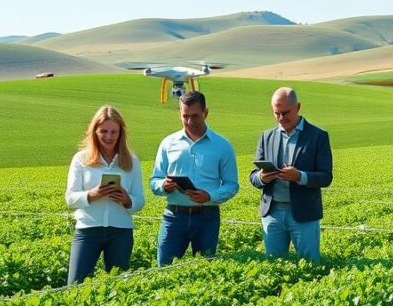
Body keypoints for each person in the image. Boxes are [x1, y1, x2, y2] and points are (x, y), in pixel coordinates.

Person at [150, 90, 238, 266]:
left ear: (205, 112)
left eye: (195, 116)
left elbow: (231, 185)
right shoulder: (168, 143)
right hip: (174, 216)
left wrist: (209, 196)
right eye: (185, 116)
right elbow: (154, 180)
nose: (190, 121)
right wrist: (163, 185)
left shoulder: (222, 145)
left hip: (207, 216)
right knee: (164, 268)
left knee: (205, 268)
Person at [249, 87, 333, 262]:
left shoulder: (318, 136)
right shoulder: (266, 137)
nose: (281, 118)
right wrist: (262, 178)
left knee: (311, 264)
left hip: (304, 214)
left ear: (298, 107)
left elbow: (326, 177)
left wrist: (300, 176)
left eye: (285, 113)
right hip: (272, 213)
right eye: (276, 113)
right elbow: (254, 177)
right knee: (274, 266)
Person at [65, 105, 145, 283]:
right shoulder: (81, 159)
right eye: (103, 131)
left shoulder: (131, 161)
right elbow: (70, 199)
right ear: (94, 131)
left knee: (118, 286)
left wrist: (127, 200)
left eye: (114, 132)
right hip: (87, 230)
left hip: (121, 231)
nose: (109, 137)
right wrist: (92, 194)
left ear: (121, 133)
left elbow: (140, 200)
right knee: (75, 285)